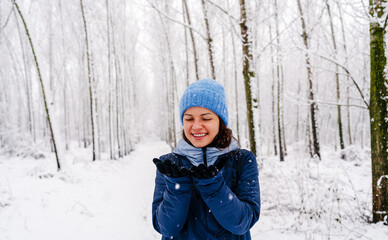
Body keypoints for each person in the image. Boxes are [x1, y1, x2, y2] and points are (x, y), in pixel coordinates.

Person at [152, 78, 261, 240]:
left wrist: (213, 187)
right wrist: (178, 189)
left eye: (206, 118)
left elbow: (242, 223)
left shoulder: (242, 160)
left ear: (220, 121)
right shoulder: (170, 165)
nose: (196, 126)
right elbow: (166, 228)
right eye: (189, 119)